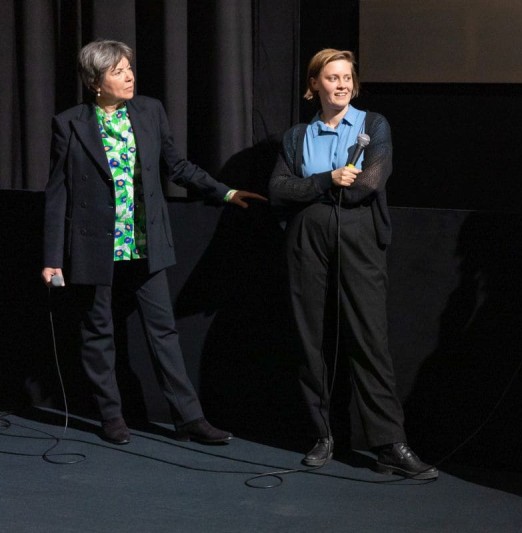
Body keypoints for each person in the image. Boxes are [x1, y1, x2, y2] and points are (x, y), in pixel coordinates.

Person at [41, 39, 265, 445]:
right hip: (95, 246)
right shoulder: (69, 123)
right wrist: (52, 257)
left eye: (129, 68)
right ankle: (111, 417)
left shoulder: (148, 111)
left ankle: (189, 417)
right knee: (99, 332)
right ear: (95, 82)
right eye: (118, 71)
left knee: (163, 331)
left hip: (144, 243)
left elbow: (176, 166)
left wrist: (226, 193)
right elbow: (59, 193)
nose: (129, 76)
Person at [268, 49, 437, 479]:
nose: (342, 84)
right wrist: (326, 180)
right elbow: (277, 189)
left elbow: (369, 183)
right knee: (312, 337)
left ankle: (389, 443)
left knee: (369, 339)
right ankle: (324, 434)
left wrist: (314, 186)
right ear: (315, 85)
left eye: (347, 77)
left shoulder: (373, 125)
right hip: (306, 238)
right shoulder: (296, 136)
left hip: (359, 234)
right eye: (332, 77)